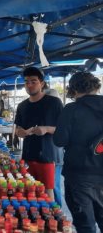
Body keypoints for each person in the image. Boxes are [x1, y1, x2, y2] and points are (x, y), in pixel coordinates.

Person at [53, 72, 103, 233]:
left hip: (79, 175)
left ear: (73, 90)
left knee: (85, 224)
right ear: (95, 86)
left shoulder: (72, 109)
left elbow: (59, 140)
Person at [14, 67, 63, 201]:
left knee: (48, 192)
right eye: (26, 82)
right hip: (28, 156)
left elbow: (63, 129)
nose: (29, 85)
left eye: (33, 81)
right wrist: (20, 132)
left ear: (42, 83)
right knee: (29, 190)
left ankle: (55, 218)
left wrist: (46, 129)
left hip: (48, 156)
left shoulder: (54, 103)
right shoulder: (22, 106)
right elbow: (18, 128)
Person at [44, 88, 64, 207]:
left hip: (54, 155)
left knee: (53, 185)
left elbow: (62, 130)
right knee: (48, 185)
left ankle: (58, 212)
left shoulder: (60, 112)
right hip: (46, 155)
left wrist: (46, 129)